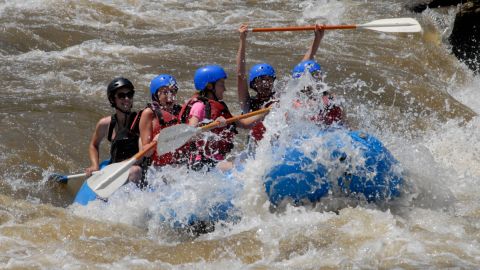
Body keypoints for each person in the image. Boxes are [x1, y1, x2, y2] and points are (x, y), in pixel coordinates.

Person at [178, 65, 265, 171]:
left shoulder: (219, 106)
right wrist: (212, 125)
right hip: (201, 163)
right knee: (245, 169)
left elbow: (245, 124)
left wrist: (266, 111)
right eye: (221, 84)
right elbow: (189, 134)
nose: (225, 89)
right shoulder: (199, 106)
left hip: (215, 160)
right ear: (210, 86)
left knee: (247, 162)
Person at [85, 77, 144, 187]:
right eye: (121, 95)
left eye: (130, 94)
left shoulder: (140, 122)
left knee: (134, 171)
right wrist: (95, 165)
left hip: (137, 170)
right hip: (114, 169)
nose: (127, 99)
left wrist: (124, 164)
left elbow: (141, 155)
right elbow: (93, 145)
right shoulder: (105, 124)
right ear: (112, 100)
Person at [292, 25, 344, 126]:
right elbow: (303, 67)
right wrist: (317, 39)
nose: (314, 81)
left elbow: (306, 64)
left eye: (316, 76)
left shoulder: (331, 99)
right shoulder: (292, 99)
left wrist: (318, 38)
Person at [237, 24, 276, 143]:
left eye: (268, 79)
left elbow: (301, 73)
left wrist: (317, 39)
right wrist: (242, 40)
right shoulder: (248, 103)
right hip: (256, 150)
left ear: (273, 81)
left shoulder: (280, 98)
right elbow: (240, 75)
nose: (264, 83)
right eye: (260, 80)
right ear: (253, 84)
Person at [139, 74, 185, 168]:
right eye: (165, 92)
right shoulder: (149, 113)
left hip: (179, 166)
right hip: (156, 168)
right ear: (156, 95)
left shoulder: (180, 111)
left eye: (173, 91)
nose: (170, 96)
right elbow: (146, 153)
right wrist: (156, 140)